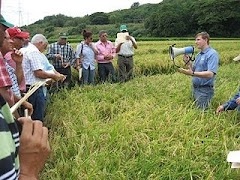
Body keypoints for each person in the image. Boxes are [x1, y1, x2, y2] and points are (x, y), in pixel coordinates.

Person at [0, 15, 50, 180]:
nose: (13, 42)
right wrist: (28, 172)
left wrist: (19, 63)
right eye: (7, 37)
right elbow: (4, 96)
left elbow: (18, 84)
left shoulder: (8, 61)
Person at [22, 34, 63, 121]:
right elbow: (38, 73)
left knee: (27, 117)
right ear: (40, 43)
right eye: (44, 47)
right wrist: (54, 76)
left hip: (24, 88)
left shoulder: (23, 50)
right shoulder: (34, 52)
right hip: (34, 89)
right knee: (37, 118)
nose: (43, 50)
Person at [178, 32, 219, 110]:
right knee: (196, 112)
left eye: (198, 40)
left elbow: (210, 74)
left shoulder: (212, 54)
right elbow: (194, 69)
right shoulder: (199, 54)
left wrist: (192, 73)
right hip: (195, 88)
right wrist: (187, 62)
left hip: (204, 90)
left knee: (201, 114)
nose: (195, 42)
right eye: (195, 40)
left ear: (206, 40)